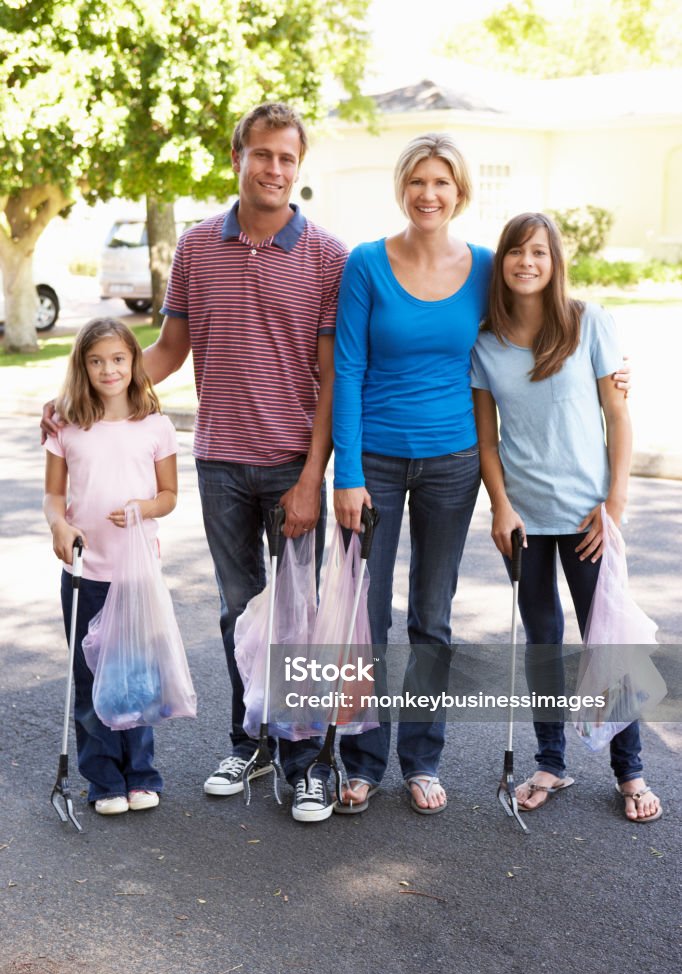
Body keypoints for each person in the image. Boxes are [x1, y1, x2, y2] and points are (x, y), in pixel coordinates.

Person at [44, 103, 348, 822]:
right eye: (263, 154)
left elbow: (332, 376)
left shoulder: (327, 255)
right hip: (218, 461)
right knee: (238, 611)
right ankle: (251, 740)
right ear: (237, 156)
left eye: (287, 158)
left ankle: (306, 761)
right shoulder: (197, 248)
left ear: (298, 168)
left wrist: (313, 476)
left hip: (290, 463)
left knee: (298, 618)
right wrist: (86, 393)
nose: (275, 169)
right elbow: (170, 352)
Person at [471, 211, 662, 823]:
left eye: (539, 253)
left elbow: (619, 415)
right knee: (545, 643)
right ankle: (552, 761)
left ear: (555, 264)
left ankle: (629, 769)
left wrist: (615, 502)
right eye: (515, 252)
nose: (526, 262)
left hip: (586, 518)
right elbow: (488, 442)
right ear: (501, 262)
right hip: (524, 521)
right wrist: (500, 508)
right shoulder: (486, 342)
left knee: (606, 641)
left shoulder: (589, 323)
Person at [332, 134, 491, 815]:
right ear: (403, 187)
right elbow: (346, 368)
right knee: (367, 620)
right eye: (419, 180)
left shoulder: (485, 267)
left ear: (460, 192)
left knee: (433, 617)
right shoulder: (367, 263)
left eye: (442, 182)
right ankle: (364, 760)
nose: (429, 193)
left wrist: (607, 362)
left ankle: (422, 761)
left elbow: (537, 324)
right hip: (377, 467)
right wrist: (348, 471)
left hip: (454, 464)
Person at [44, 317, 178, 815]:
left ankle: (142, 774)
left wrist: (143, 508)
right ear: (82, 365)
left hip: (136, 575)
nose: (108, 369)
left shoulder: (155, 425)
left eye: (118, 359)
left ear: (133, 362)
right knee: (91, 677)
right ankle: (103, 780)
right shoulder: (66, 423)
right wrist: (59, 525)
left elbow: (168, 496)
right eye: (96, 360)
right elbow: (54, 495)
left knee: (136, 678)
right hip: (85, 573)